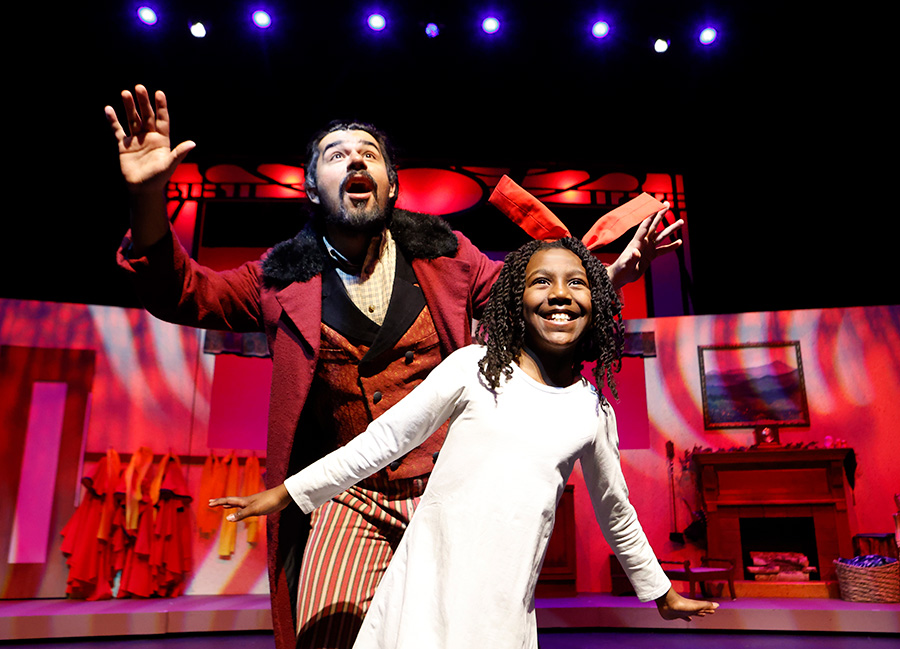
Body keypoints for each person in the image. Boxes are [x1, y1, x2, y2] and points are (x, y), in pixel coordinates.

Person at [105, 84, 684, 649]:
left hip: (449, 491)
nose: (355, 158)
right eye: (336, 155)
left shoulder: (449, 258)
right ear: (311, 187)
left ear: (392, 184)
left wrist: (611, 278)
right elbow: (186, 292)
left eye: (370, 154)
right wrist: (148, 202)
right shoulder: (278, 279)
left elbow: (529, 299)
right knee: (326, 637)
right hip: (350, 495)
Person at [211, 236, 717, 648]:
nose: (560, 294)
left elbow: (616, 510)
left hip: (502, 607)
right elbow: (383, 440)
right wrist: (291, 492)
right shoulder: (472, 370)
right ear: (515, 303)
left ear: (596, 303)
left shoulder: (590, 409)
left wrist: (661, 592)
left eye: (577, 283)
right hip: (428, 589)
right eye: (541, 282)